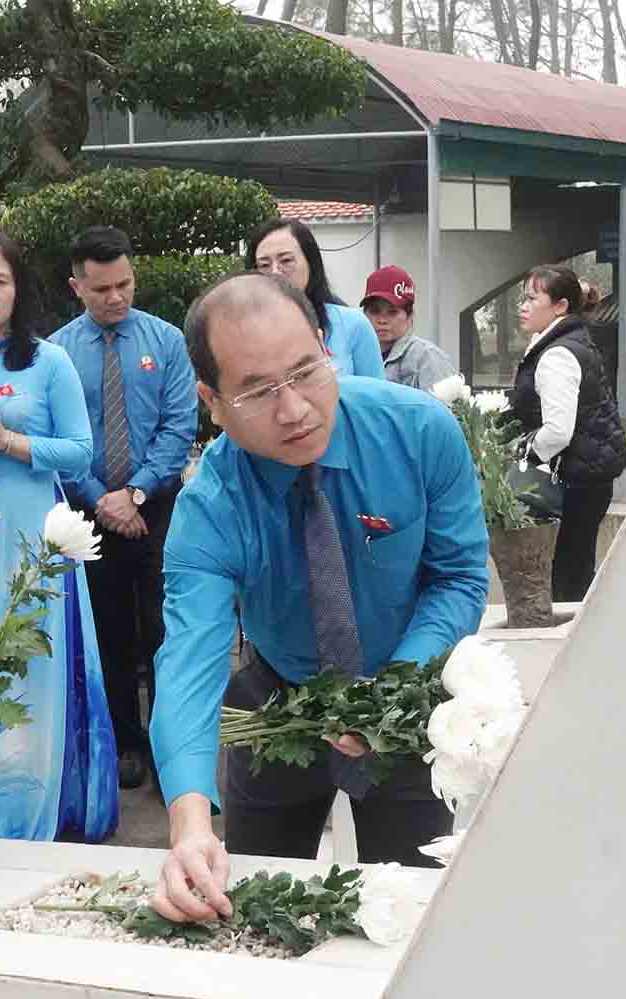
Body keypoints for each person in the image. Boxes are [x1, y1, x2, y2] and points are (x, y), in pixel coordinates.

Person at [149, 273, 490, 924]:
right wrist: (190, 823)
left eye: (306, 370)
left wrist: (391, 691)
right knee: (257, 908)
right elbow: (189, 658)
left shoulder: (419, 434)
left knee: (416, 917)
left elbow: (458, 577)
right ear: (212, 401)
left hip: (407, 701)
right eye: (255, 389)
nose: (295, 409)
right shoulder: (211, 509)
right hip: (277, 704)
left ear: (327, 347)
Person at [0, 231, 119, 842]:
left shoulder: (46, 361)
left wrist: (7, 442)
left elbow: (81, 451)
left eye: (0, 281)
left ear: (19, 292)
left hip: (30, 533)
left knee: (29, 669)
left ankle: (22, 817)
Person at [51, 226, 197, 791]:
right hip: (88, 514)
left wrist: (134, 493)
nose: (116, 296)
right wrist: (99, 500)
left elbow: (178, 425)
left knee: (166, 630)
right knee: (108, 632)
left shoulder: (166, 342)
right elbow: (58, 436)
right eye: (102, 288)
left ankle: (170, 751)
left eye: (125, 284)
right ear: (77, 287)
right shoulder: (58, 352)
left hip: (158, 509)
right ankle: (125, 744)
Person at [511, 264, 626, 603]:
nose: (524, 305)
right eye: (524, 298)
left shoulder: (558, 354)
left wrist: (520, 455)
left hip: (577, 479)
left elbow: (558, 432)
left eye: (533, 298)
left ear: (560, 306)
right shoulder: (567, 340)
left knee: (569, 581)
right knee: (573, 570)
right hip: (587, 475)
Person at [245, 218, 382, 380]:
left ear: (311, 263)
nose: (275, 272)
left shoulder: (352, 325)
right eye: (264, 265)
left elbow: (377, 399)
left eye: (286, 261)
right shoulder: (244, 332)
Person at [358, 265, 456, 391]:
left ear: (410, 316)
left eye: (392, 312)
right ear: (364, 314)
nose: (382, 320)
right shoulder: (357, 355)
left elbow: (447, 408)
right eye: (375, 311)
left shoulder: (428, 358)